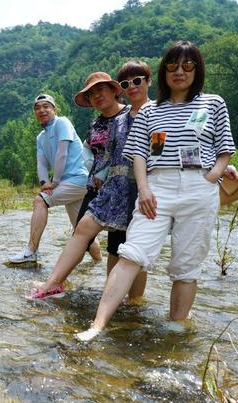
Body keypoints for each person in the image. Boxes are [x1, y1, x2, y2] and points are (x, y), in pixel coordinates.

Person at [76, 41, 234, 341]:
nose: (179, 72)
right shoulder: (151, 111)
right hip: (156, 187)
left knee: (186, 265)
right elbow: (137, 154)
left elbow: (225, 148)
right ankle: (97, 325)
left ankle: (175, 330)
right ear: (163, 72)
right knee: (132, 253)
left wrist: (211, 177)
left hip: (198, 186)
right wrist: (145, 189)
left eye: (188, 66)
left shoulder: (213, 103)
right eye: (172, 66)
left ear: (197, 70)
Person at [27, 67, 148, 300]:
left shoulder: (131, 116)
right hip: (96, 188)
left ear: (115, 91)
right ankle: (54, 283)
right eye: (92, 94)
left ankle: (126, 301)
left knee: (121, 246)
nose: (97, 96)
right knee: (81, 232)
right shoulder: (96, 124)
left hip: (129, 188)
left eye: (102, 90)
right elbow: (91, 154)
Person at [8, 94, 88, 264]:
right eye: (37, 108)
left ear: (54, 109)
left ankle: (30, 252)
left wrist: (55, 182)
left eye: (46, 106)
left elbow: (62, 153)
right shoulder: (40, 137)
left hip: (78, 179)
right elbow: (41, 163)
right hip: (68, 183)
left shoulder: (62, 122)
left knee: (40, 201)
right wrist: (45, 183)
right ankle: (97, 261)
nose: (41, 110)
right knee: (81, 229)